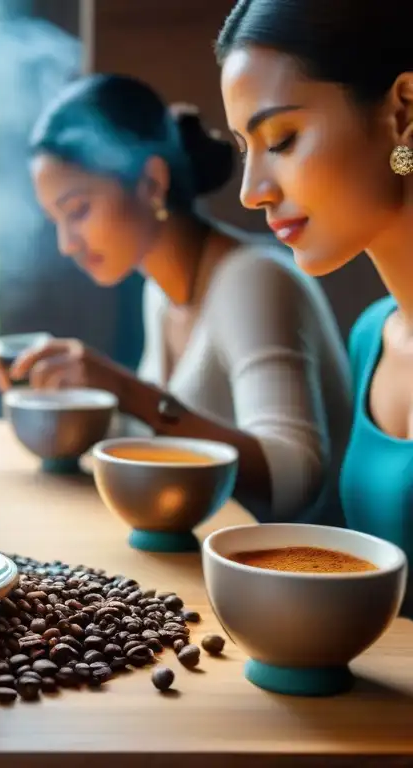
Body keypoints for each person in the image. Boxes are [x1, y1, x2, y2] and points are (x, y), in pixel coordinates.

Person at [0, 73, 353, 528]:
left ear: (151, 183)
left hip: (303, 575)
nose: (67, 243)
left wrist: (123, 388)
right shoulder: (158, 291)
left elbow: (293, 482)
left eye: (78, 210)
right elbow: (156, 432)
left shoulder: (254, 279)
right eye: (55, 221)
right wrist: (70, 392)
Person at [217, 0, 413, 604]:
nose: (252, 191)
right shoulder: (372, 337)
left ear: (404, 114)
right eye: (245, 148)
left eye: (282, 138)